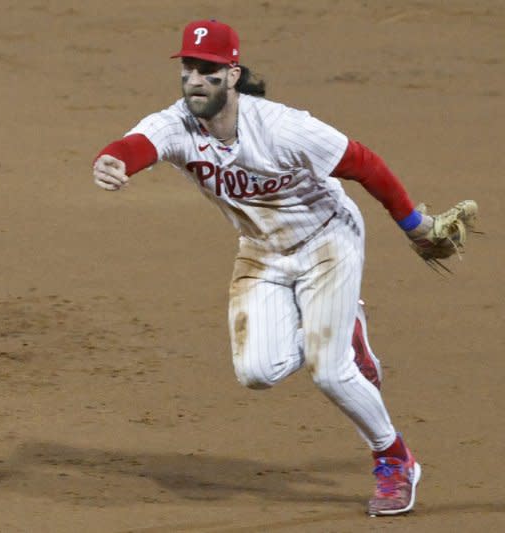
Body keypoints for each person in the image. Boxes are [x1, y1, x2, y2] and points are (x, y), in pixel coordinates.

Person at [91, 19, 432, 516]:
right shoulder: (177, 124)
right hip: (261, 250)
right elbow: (136, 146)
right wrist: (111, 160)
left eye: (207, 71)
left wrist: (412, 222)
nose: (194, 80)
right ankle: (343, 328)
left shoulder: (282, 127)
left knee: (330, 371)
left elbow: (364, 164)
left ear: (232, 74)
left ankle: (395, 460)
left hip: (327, 240)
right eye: (188, 68)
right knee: (257, 372)